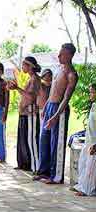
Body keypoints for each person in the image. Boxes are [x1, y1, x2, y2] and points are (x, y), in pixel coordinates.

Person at [34, 43, 78, 184]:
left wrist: (56, 115)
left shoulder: (71, 74)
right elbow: (53, 91)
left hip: (60, 109)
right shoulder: (59, 69)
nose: (58, 56)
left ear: (70, 55)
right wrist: (46, 107)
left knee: (56, 143)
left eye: (62, 54)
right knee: (44, 140)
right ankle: (44, 172)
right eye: (59, 53)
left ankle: (56, 176)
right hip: (50, 107)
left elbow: (66, 98)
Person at [7, 56, 41, 173]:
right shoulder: (30, 79)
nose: (22, 67)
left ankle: (35, 167)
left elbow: (31, 97)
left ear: (30, 66)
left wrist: (17, 88)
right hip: (25, 114)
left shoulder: (35, 79)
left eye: (24, 65)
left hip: (30, 114)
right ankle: (25, 164)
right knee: (24, 140)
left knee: (31, 140)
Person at [74, 84, 96, 196]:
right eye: (90, 92)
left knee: (90, 167)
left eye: (92, 92)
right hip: (89, 139)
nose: (90, 95)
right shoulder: (93, 106)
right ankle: (82, 186)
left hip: (94, 142)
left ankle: (87, 189)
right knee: (84, 163)